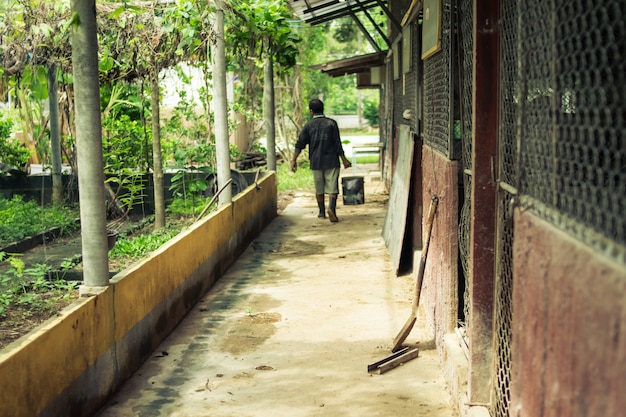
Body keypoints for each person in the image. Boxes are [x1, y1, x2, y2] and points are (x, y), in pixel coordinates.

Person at [291, 99, 352, 222]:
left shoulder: (308, 125)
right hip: (332, 161)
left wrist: (293, 160)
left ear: (311, 111)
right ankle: (332, 209)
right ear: (322, 109)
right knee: (332, 187)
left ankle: (321, 212)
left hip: (316, 161)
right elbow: (337, 144)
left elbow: (300, 143)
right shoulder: (331, 123)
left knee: (319, 188)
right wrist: (344, 160)